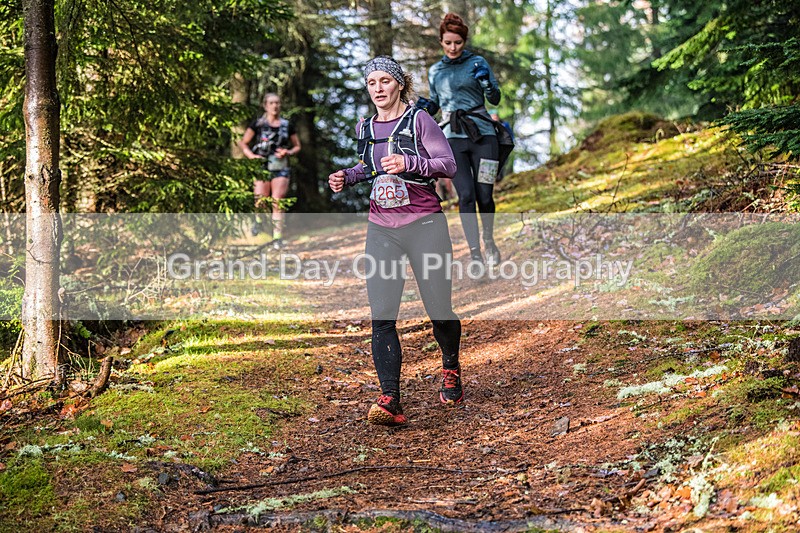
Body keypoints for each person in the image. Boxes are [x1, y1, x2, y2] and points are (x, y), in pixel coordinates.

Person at [328, 56, 463, 426]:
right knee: (382, 317)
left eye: (385, 81)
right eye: (371, 83)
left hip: (425, 225)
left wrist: (411, 164)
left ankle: (450, 366)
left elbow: (447, 164)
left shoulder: (420, 119)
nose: (378, 89)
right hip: (382, 229)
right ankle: (390, 398)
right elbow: (369, 166)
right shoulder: (365, 127)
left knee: (439, 309)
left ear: (399, 84)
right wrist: (347, 176)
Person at [427, 13, 502, 265]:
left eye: (457, 42)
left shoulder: (477, 62)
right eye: (448, 42)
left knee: (485, 195)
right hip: (452, 139)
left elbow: (495, 98)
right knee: (466, 196)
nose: (453, 48)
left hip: (485, 137)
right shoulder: (435, 71)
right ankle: (475, 254)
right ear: (441, 41)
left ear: (464, 41)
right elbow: (435, 103)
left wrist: (487, 84)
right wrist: (424, 107)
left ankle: (489, 241)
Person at [238, 93, 301, 248]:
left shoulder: (287, 125)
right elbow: (243, 143)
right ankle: (258, 221)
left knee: (278, 201)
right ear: (265, 105)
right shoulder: (258, 124)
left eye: (278, 103)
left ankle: (277, 238)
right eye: (272, 103)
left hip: (281, 166)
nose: (275, 106)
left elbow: (297, 146)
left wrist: (288, 152)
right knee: (260, 199)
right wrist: (252, 156)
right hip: (261, 166)